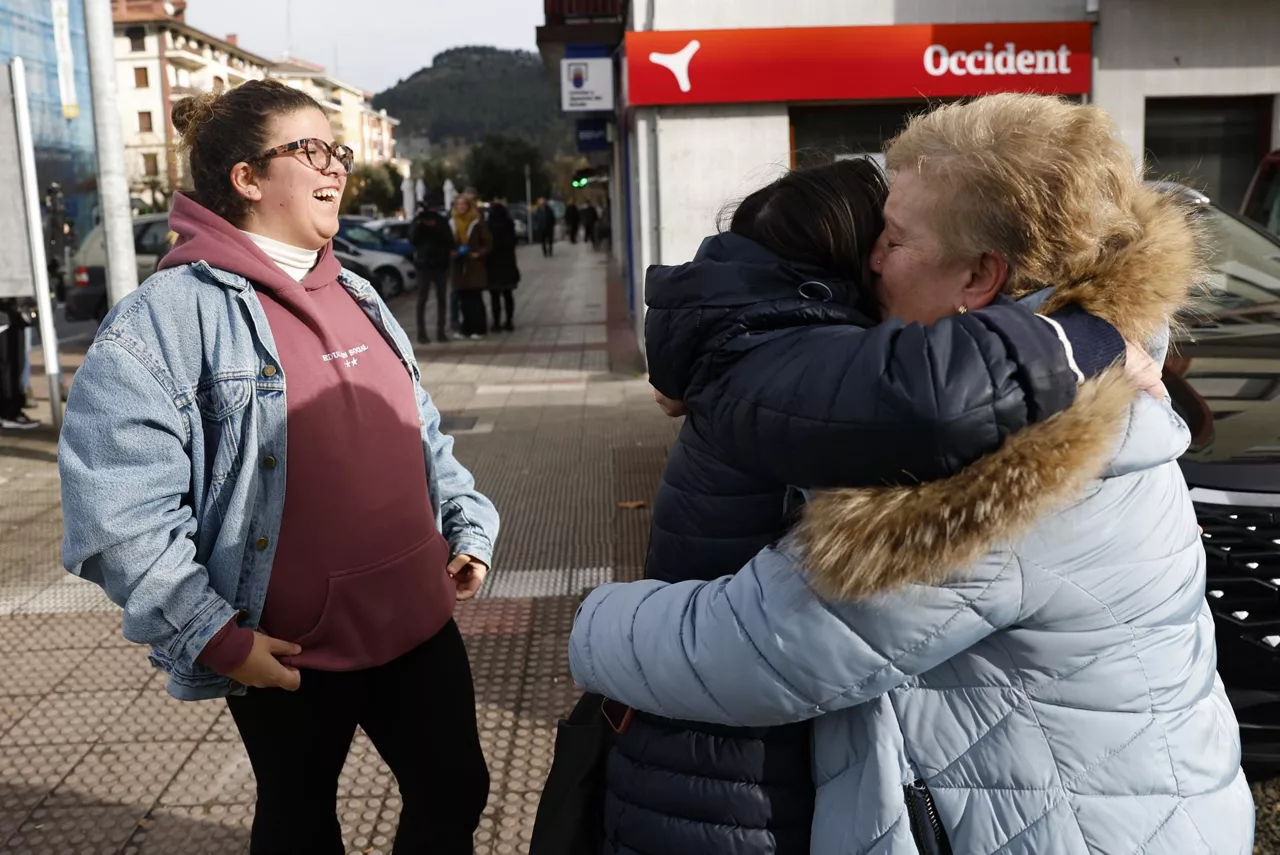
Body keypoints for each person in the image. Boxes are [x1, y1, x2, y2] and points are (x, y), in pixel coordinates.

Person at [569, 94, 1252, 854]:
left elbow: (762, 649)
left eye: (893, 239)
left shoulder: (1014, 461)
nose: (871, 259)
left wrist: (595, 623)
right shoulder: (1083, 353)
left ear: (978, 277)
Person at [58, 79, 499, 855]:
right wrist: (218, 639)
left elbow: (419, 427)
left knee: (456, 787)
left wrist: (466, 521)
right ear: (248, 179)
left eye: (339, 150)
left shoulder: (357, 289)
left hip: (419, 620)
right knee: (300, 821)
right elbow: (116, 513)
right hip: (288, 656)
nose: (337, 167)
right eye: (312, 149)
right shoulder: (165, 316)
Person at [410, 200, 454, 344]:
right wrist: (420, 224)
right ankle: (421, 333)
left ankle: (441, 332)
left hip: (440, 265)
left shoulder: (441, 222)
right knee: (422, 299)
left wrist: (436, 227)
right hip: (423, 266)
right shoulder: (418, 222)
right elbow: (412, 239)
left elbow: (450, 241)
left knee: (442, 299)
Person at [449, 195, 492, 340]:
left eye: (463, 204)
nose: (461, 207)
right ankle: (466, 329)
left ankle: (479, 328)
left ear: (468, 206)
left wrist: (479, 254)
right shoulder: (452, 223)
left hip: (474, 267)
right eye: (458, 204)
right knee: (463, 299)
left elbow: (488, 243)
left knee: (475, 299)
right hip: (459, 267)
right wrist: (452, 252)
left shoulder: (477, 222)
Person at [0, 299, 39, 430]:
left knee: (16, 365)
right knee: (8, 367)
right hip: (5, 317)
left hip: (14, 316)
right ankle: (9, 413)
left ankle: (13, 410)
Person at [485, 201, 521, 332]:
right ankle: (509, 321)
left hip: (493, 265)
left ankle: (496, 323)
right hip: (508, 264)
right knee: (508, 295)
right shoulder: (509, 224)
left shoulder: (489, 226)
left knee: (494, 297)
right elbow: (514, 242)